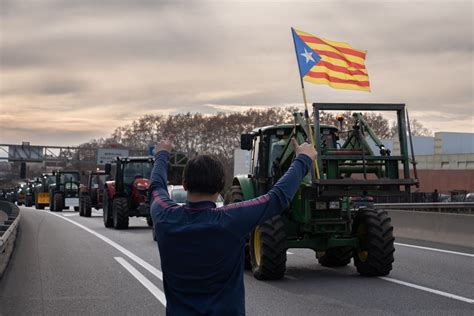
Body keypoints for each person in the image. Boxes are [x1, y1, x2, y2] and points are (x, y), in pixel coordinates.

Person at [150, 138, 316, 316]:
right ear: (221, 186)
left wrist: (162, 154)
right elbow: (277, 198)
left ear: (184, 185)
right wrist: (303, 159)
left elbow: (156, 188)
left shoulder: (164, 216)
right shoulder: (231, 220)